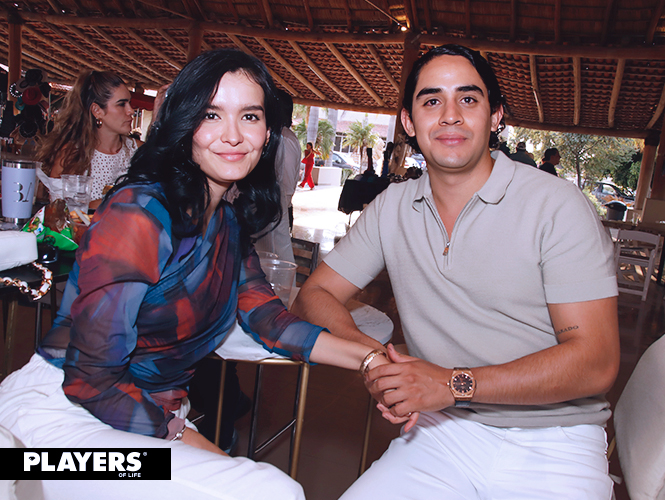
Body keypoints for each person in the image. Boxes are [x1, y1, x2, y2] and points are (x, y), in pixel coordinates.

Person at [0, 49, 392, 500]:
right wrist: (184, 436)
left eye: (249, 116)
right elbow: (91, 378)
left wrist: (371, 360)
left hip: (140, 418)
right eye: (211, 114)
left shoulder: (226, 224)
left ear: (267, 133)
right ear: (185, 123)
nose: (233, 135)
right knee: (269, 493)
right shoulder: (139, 213)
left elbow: (270, 321)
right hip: (57, 424)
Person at [292, 44, 619, 499]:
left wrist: (451, 384)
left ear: (495, 116)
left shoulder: (556, 206)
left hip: (555, 438)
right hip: (441, 431)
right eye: (431, 101)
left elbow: (596, 361)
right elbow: (314, 295)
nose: (450, 115)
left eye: (468, 98)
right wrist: (374, 361)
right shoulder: (393, 207)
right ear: (409, 122)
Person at [36, 71, 141, 208]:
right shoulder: (71, 154)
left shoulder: (139, 151)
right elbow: (60, 211)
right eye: (121, 104)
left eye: (129, 103)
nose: (131, 110)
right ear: (97, 110)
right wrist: (113, 201)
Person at [255, 89, 300, 260]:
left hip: (276, 213)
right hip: (270, 211)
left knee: (273, 260)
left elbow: (286, 186)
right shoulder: (275, 136)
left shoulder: (284, 139)